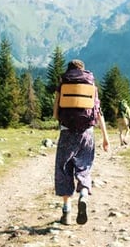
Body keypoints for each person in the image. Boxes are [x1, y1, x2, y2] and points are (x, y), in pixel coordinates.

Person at [52, 59, 110, 225]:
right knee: (84, 167)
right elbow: (98, 112)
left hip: (66, 133)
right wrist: (105, 138)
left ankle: (66, 212)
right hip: (87, 134)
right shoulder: (90, 85)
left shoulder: (63, 83)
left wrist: (62, 118)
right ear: (83, 71)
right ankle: (83, 195)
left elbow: (56, 112)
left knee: (64, 170)